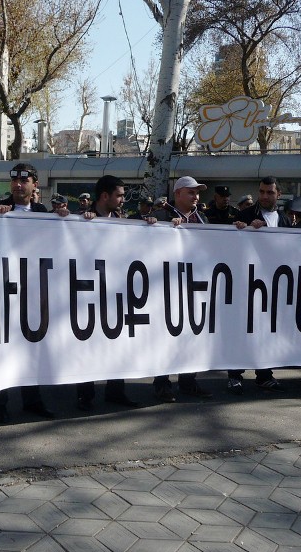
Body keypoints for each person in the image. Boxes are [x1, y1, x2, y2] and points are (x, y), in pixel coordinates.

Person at [0, 163, 67, 422]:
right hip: (5, 288)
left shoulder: (43, 212)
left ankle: (32, 399)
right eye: (14, 180)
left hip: (33, 290)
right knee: (3, 348)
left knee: (32, 347)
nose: (18, 185)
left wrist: (65, 219)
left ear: (34, 184)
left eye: (24, 181)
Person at [75, 175, 155, 411]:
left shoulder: (123, 221)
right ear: (104, 196)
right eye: (119, 195)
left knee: (117, 344)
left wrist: (149, 225)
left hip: (116, 293)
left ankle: (115, 390)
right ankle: (85, 395)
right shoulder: (81, 220)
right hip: (89, 292)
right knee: (88, 345)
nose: (122, 200)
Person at [151, 176, 213, 402]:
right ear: (177, 194)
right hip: (166, 285)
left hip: (194, 286)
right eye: (191, 192)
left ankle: (188, 381)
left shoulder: (202, 218)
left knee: (192, 336)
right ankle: (162, 384)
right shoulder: (162, 216)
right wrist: (159, 226)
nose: (196, 196)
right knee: (165, 336)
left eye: (197, 192)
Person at [230, 177, 291, 393]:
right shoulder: (246, 215)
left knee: (267, 331)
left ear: (278, 194)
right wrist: (244, 229)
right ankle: (234, 374)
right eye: (262, 191)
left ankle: (264, 374)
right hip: (248, 282)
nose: (264, 196)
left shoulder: (284, 219)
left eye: (269, 192)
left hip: (273, 284)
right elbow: (231, 243)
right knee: (242, 329)